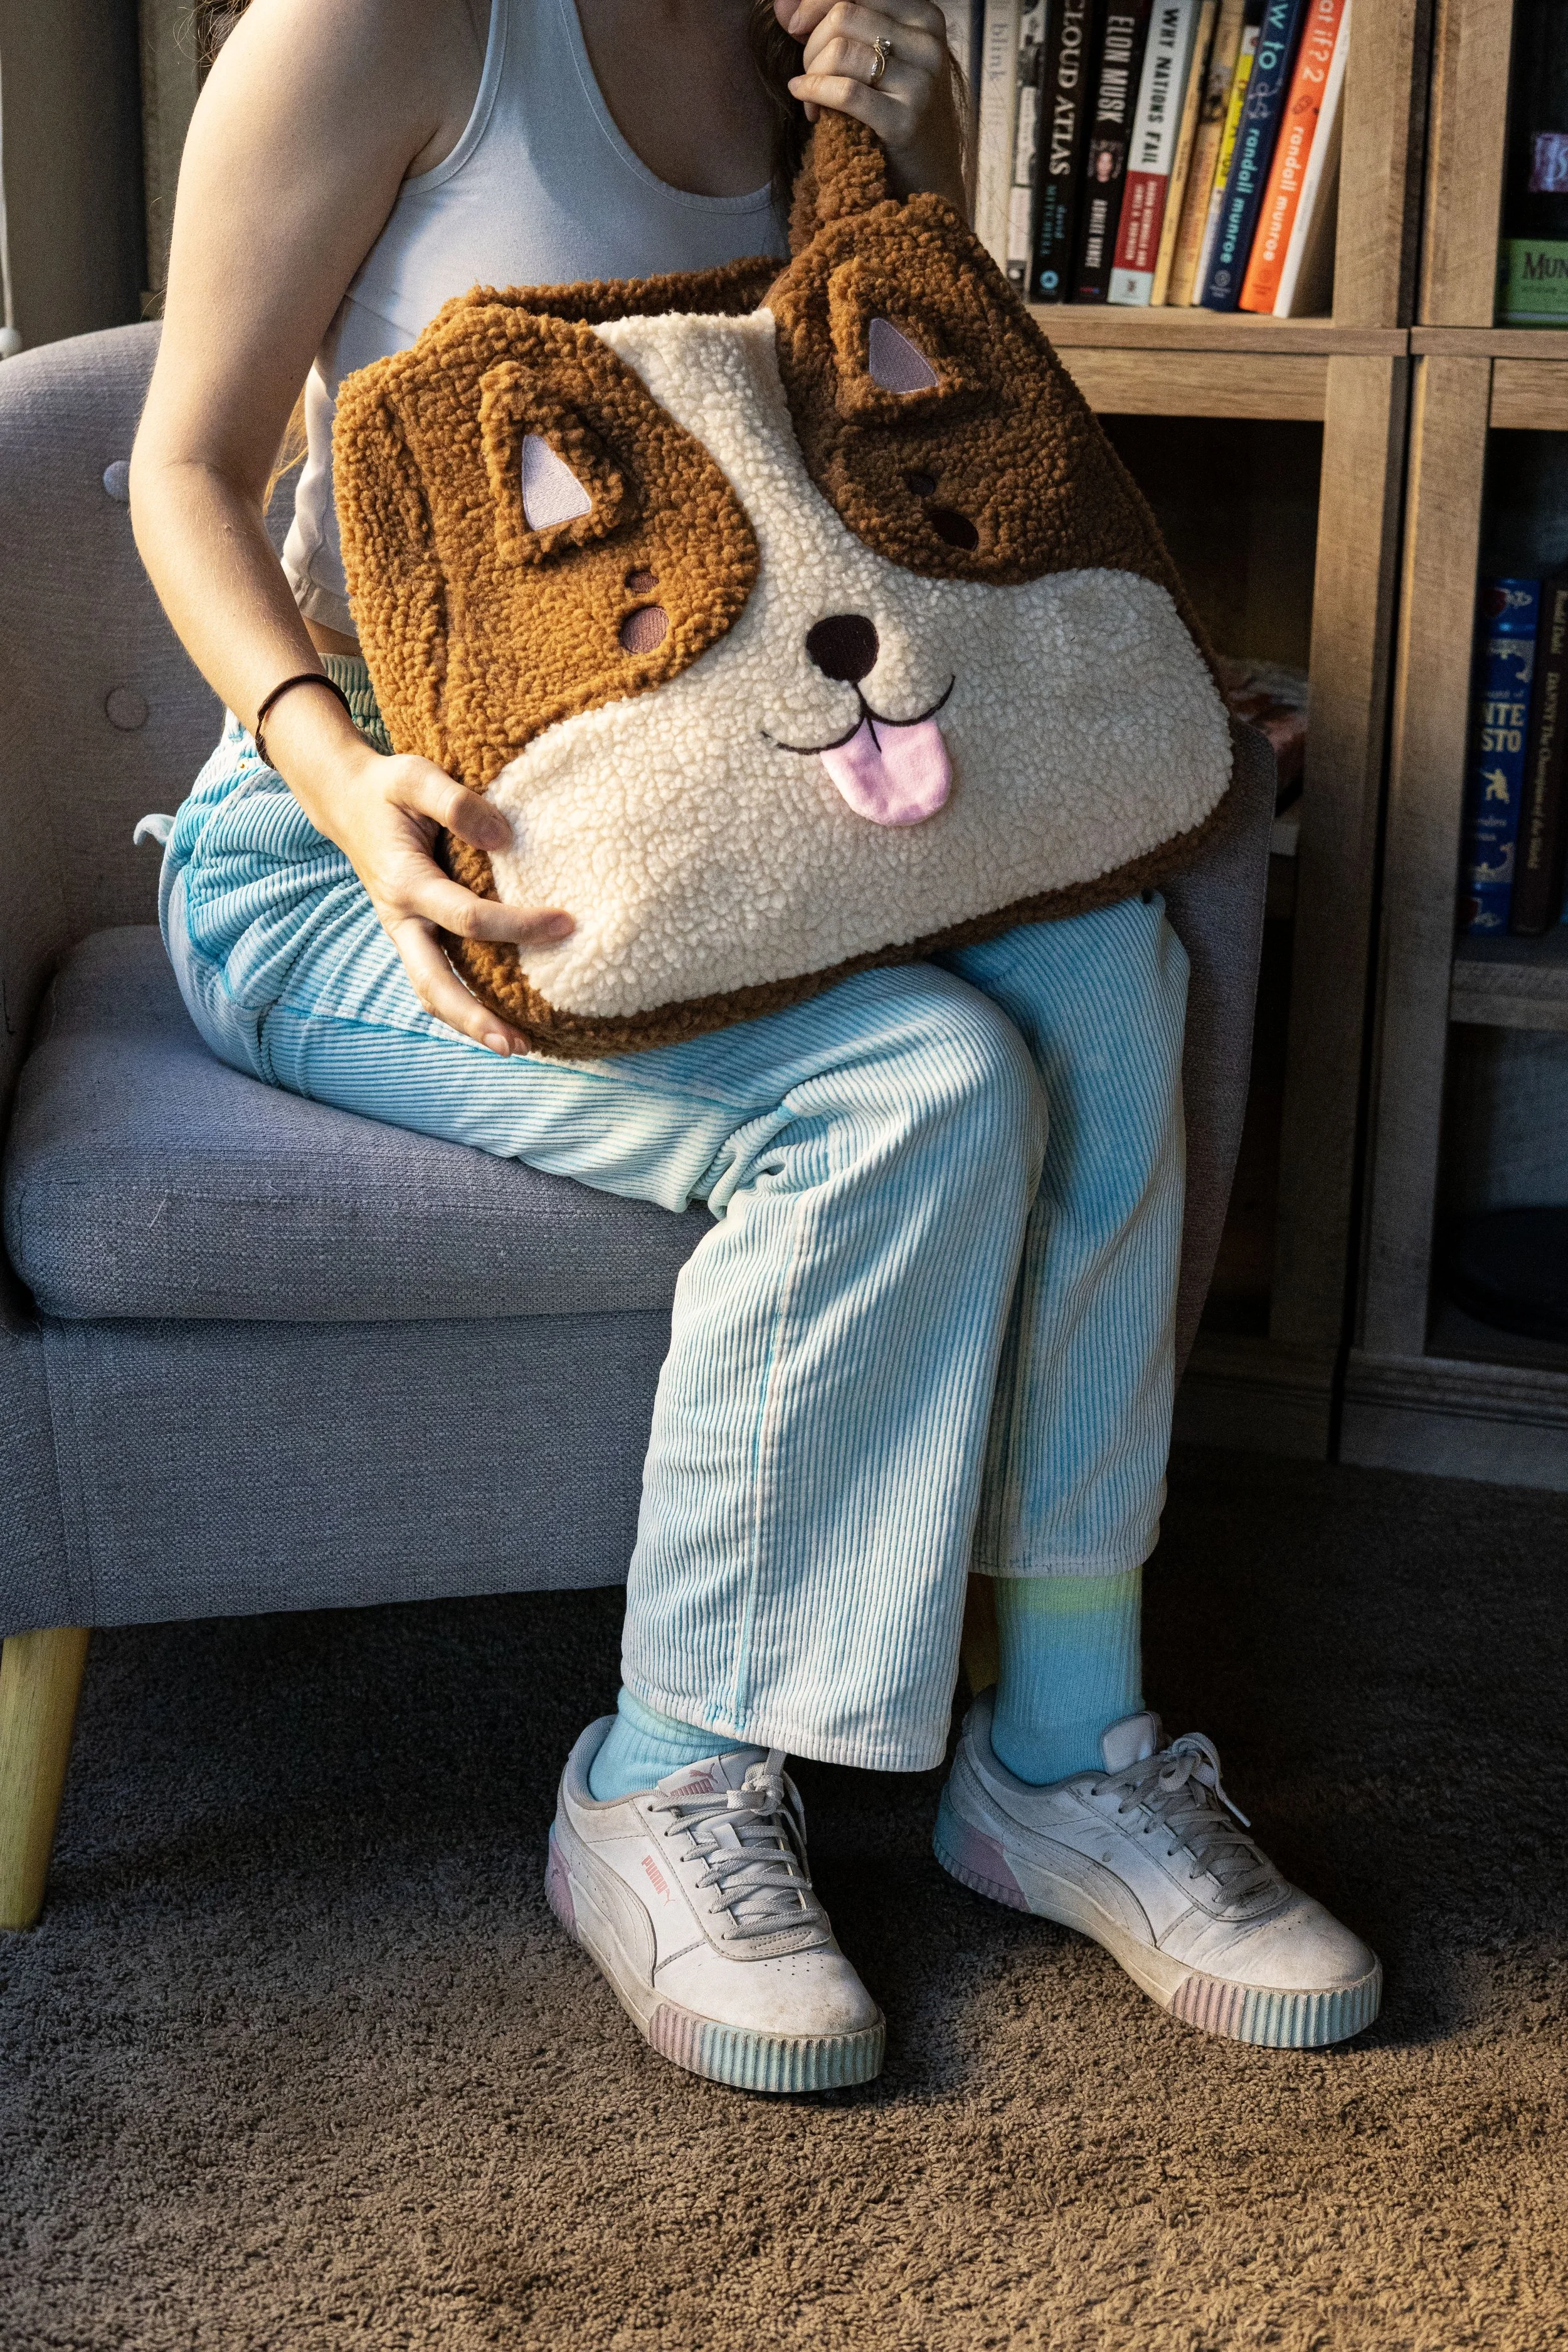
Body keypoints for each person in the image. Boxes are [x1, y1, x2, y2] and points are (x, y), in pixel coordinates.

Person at [130, 0, 1380, 2094]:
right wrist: (342, 784)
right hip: (367, 858)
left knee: (1100, 974)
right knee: (914, 1088)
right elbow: (178, 464)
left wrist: (912, 189)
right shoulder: (372, 28)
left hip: (740, 835)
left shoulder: (816, 36)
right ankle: (668, 1773)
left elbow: (868, 499)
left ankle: (1063, 1750)